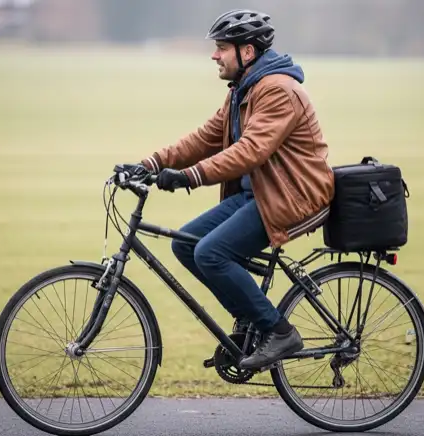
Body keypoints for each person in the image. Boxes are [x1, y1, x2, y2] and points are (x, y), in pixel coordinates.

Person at [125, 9, 335, 370]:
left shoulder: (278, 91)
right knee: (186, 244)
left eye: (221, 47)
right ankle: (253, 321)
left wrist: (190, 176)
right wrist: (151, 164)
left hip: (291, 196)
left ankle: (279, 331)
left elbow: (251, 149)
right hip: (261, 193)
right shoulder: (244, 89)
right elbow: (207, 137)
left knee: (211, 253)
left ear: (247, 52)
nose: (214, 55)